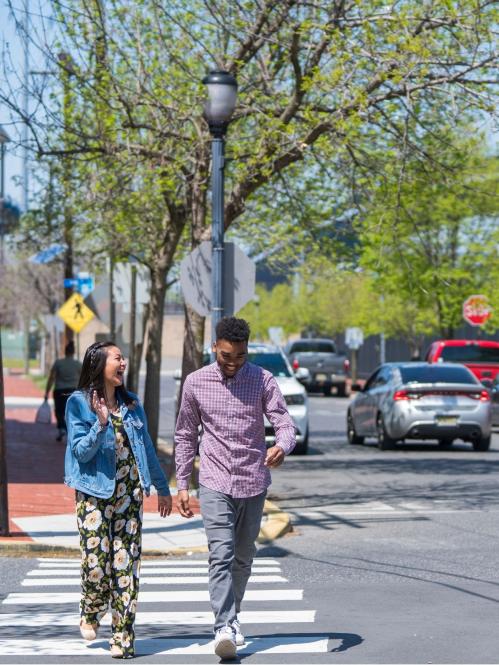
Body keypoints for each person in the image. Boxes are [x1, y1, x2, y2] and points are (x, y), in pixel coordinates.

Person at [175, 317, 296, 659]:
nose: (232, 362)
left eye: (239, 356)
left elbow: (284, 422)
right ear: (215, 346)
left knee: (243, 557)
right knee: (221, 554)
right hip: (214, 480)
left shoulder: (262, 380)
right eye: (227, 355)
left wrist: (282, 446)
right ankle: (224, 625)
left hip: (253, 481)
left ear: (246, 351)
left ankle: (233, 615)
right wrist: (182, 482)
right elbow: (185, 434)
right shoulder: (196, 382)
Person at [64, 340, 172, 659]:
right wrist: (99, 424)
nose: (122, 363)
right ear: (99, 365)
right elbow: (80, 452)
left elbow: (147, 449)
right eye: (116, 358)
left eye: (123, 358)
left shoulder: (132, 405)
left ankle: (123, 636)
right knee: (96, 565)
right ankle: (91, 607)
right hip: (94, 495)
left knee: (126, 566)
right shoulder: (78, 404)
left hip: (129, 496)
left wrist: (163, 488)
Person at [45, 340, 82, 441]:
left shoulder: (58, 363)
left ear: (65, 352)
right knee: (71, 412)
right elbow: (84, 379)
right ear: (73, 352)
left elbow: (51, 378)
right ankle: (69, 430)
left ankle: (62, 428)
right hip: (73, 391)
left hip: (59, 390)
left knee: (59, 411)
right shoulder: (78, 364)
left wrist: (46, 392)